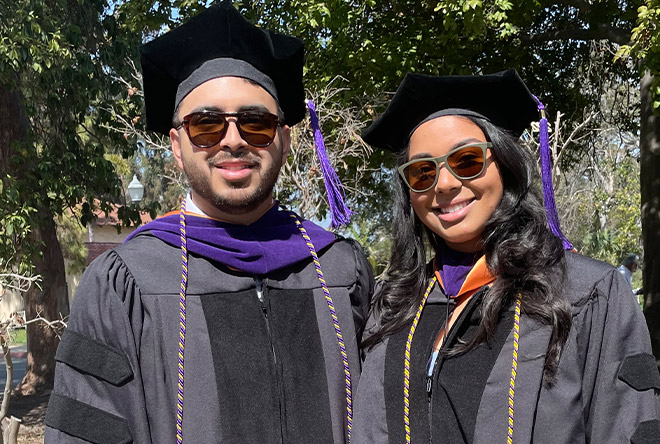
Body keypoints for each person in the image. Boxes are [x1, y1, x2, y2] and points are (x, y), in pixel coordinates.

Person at [45, 3, 373, 443]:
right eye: (206, 124)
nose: (233, 140)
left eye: (256, 123)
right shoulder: (126, 282)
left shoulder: (341, 269)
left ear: (285, 137)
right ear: (177, 145)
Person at [352, 70, 660, 443]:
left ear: (506, 165)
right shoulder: (394, 307)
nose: (445, 184)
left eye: (466, 160)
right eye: (422, 172)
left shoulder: (586, 293)